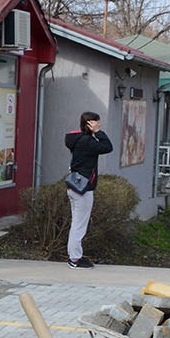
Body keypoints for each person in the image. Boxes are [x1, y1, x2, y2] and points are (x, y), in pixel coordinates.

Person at [64, 111, 113, 269]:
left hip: (74, 186)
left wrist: (95, 132)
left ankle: (75, 256)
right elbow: (107, 147)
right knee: (79, 225)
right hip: (83, 189)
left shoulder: (78, 139)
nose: (99, 124)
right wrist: (98, 133)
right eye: (97, 122)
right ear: (90, 124)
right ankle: (75, 259)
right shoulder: (87, 141)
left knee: (76, 223)